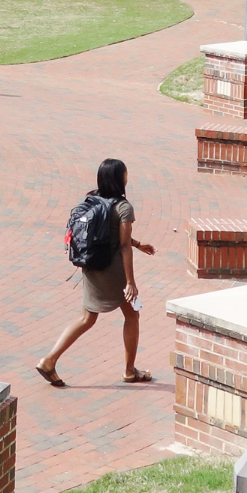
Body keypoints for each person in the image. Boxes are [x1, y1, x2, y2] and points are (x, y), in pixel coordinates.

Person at [35, 157, 157, 389]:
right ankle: (129, 371)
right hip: (113, 270)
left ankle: (49, 361)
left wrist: (138, 244)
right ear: (120, 178)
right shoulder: (124, 207)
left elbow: (113, 234)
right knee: (132, 315)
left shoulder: (93, 199)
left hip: (91, 266)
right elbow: (123, 246)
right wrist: (130, 282)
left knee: (87, 318)